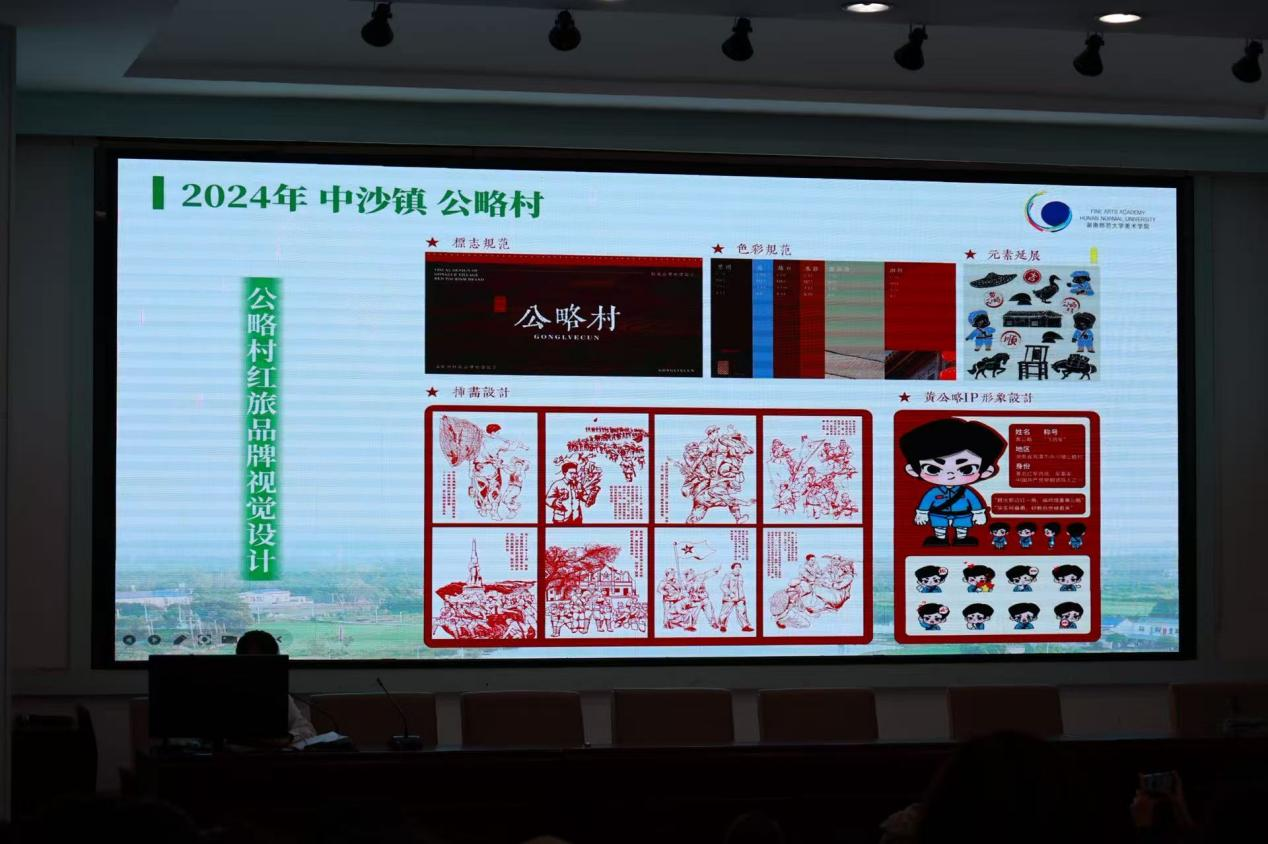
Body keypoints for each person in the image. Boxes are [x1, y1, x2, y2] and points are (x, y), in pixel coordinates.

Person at [900, 417, 1006, 547]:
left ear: (986, 471)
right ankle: (940, 540)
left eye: (966, 469)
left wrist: (979, 513)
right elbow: (926, 501)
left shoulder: (966, 492)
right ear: (913, 470)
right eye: (933, 469)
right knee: (939, 527)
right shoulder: (934, 492)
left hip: (962, 515)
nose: (950, 475)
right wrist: (922, 513)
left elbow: (974, 502)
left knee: (962, 527)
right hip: (939, 514)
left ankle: (962, 540)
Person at [236, 629, 317, 742]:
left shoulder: (278, 694)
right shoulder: (220, 693)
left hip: (273, 751)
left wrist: (288, 738)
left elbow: (307, 730)